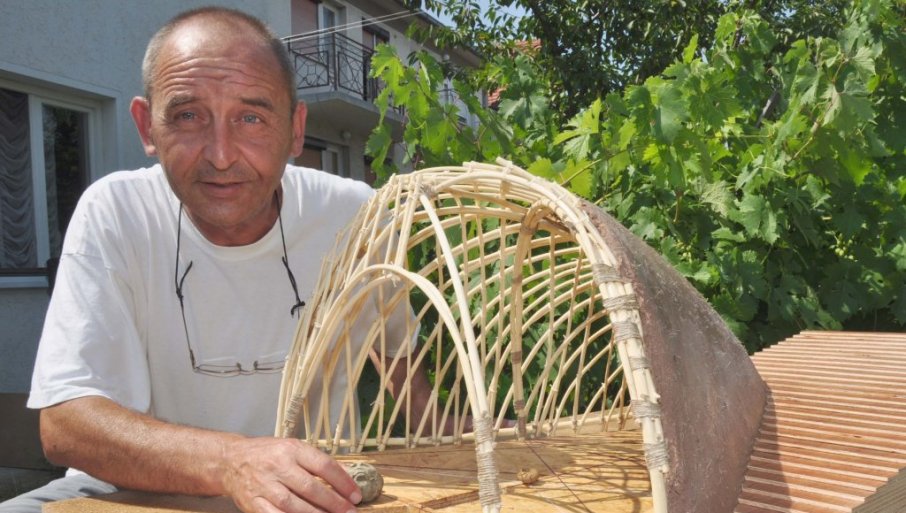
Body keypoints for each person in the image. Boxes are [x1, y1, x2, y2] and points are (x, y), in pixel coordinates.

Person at [0, 7, 399, 513]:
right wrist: (232, 462)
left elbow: (400, 360)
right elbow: (65, 424)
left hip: (301, 495)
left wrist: (473, 434)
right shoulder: (115, 211)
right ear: (147, 126)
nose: (221, 155)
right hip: (129, 491)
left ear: (295, 130)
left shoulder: (353, 215)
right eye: (188, 116)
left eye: (251, 118)